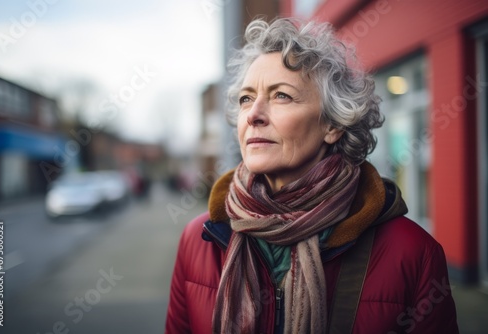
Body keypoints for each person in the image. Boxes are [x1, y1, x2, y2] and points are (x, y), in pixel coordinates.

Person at [165, 18, 459, 334]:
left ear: (332, 124)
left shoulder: (411, 252)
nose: (253, 115)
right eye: (246, 98)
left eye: (281, 96)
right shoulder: (199, 239)